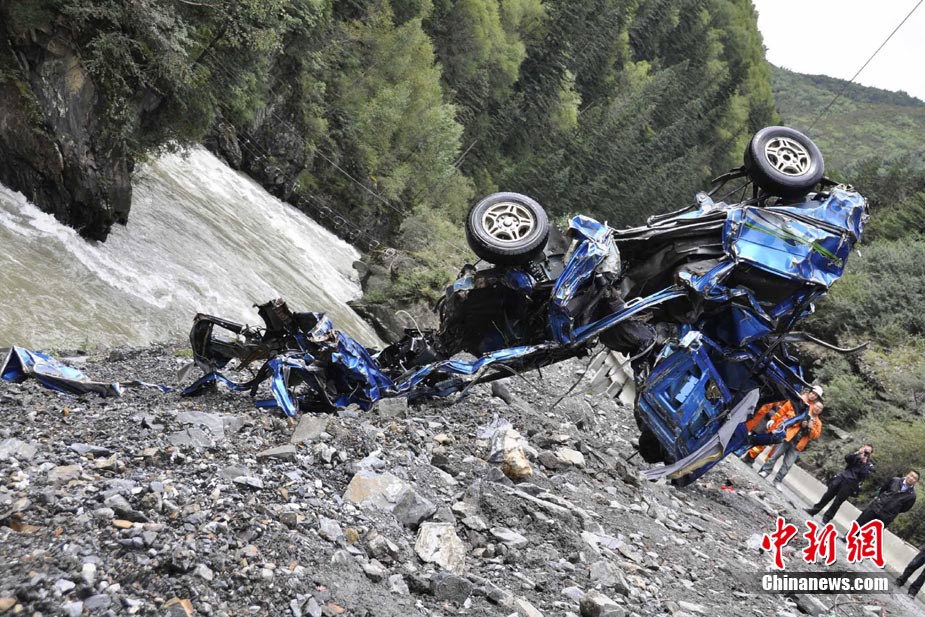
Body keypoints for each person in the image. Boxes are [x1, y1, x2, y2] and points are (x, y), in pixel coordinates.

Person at [758, 391, 824, 490]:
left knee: (788, 464)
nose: (817, 408)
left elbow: (815, 436)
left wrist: (811, 428)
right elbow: (793, 418)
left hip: (798, 444)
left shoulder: (818, 423)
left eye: (820, 408)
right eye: (817, 406)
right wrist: (801, 423)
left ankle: (777, 480)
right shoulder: (804, 411)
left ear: (821, 411)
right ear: (814, 405)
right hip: (789, 436)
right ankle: (766, 471)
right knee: (775, 455)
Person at [743, 385, 823, 461]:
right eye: (813, 393)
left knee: (775, 448)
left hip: (791, 429)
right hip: (781, 422)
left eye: (815, 395)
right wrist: (774, 419)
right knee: (766, 439)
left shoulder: (811, 408)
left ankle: (765, 464)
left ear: (817, 398)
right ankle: (750, 456)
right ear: (810, 391)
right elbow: (784, 409)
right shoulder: (798, 398)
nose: (813, 395)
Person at [805, 444, 874, 524]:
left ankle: (826, 519)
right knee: (827, 495)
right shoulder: (856, 456)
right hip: (842, 477)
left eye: (867, 452)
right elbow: (847, 458)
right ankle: (813, 511)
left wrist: (864, 462)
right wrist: (858, 452)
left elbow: (864, 475)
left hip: (851, 484)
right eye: (865, 450)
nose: (865, 452)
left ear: (870, 454)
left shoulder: (869, 465)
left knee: (837, 502)